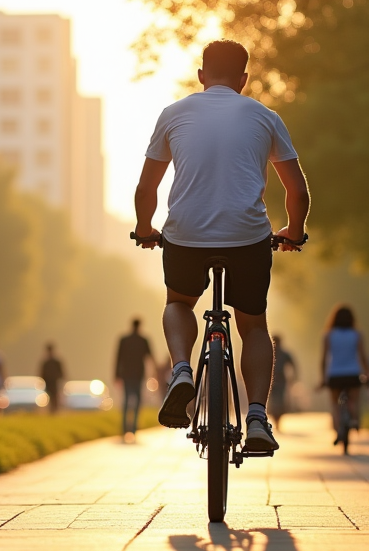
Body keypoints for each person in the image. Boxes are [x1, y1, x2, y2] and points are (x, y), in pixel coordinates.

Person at [132, 39, 310, 453]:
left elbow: (146, 188)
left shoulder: (173, 114)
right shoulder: (264, 117)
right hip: (248, 237)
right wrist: (294, 231)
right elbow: (296, 191)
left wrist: (145, 229)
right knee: (253, 325)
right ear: (244, 79)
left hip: (185, 235)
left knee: (178, 303)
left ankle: (180, 370)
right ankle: (257, 418)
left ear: (201, 75)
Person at [321, 305, 369, 444]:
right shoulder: (356, 334)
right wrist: (368, 372)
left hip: (334, 374)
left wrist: (323, 378)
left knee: (335, 405)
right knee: (353, 401)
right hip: (353, 373)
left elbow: (324, 359)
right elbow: (362, 357)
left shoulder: (328, 335)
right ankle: (354, 420)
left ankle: (338, 431)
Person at [115, 318, 155, 438]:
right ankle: (133, 428)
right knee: (137, 401)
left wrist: (116, 374)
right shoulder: (143, 340)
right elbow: (150, 357)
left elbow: (118, 358)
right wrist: (155, 373)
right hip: (138, 374)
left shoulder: (124, 340)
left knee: (127, 400)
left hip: (126, 374)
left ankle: (124, 428)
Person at [269, 335, 297, 431]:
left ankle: (278, 420)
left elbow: (293, 364)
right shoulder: (269, 352)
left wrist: (294, 377)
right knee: (273, 401)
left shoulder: (284, 354)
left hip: (281, 380)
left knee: (280, 401)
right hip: (270, 380)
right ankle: (275, 419)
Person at [40, 343, 65, 414]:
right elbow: (42, 373)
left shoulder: (56, 362)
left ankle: (55, 410)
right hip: (48, 382)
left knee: (55, 396)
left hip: (55, 381)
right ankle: (52, 410)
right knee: (50, 396)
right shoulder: (46, 362)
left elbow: (61, 372)